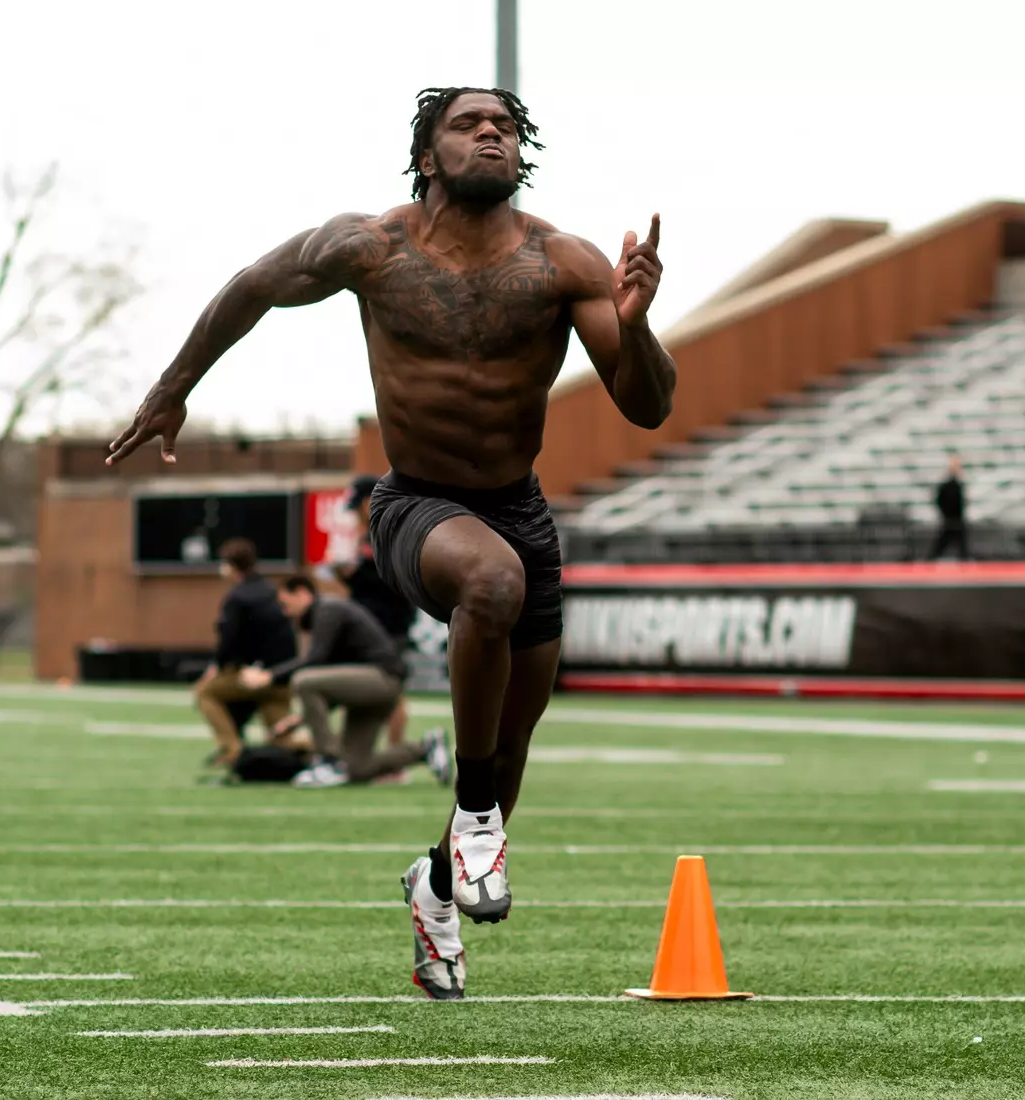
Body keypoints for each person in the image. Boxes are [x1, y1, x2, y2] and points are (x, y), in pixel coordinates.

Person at [107, 87, 675, 1000]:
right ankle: (477, 811)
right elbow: (251, 288)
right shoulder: (368, 247)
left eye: (507, 127)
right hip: (415, 504)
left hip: (520, 510)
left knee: (512, 742)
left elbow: (648, 404)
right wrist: (174, 389)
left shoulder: (563, 262)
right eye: (469, 124)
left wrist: (638, 324)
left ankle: (438, 882)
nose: (492, 133)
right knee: (490, 587)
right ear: (426, 155)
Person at [238, 574, 449, 789]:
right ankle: (424, 749)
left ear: (302, 592)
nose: (285, 611)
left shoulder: (328, 609)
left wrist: (269, 675)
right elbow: (333, 687)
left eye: (285, 603)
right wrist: (299, 720)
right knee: (357, 769)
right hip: (371, 689)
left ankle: (328, 761)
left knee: (304, 681)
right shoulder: (325, 615)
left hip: (382, 679)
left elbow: (315, 661)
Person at [191, 537, 298, 771]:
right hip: (283, 678)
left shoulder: (237, 597)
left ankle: (232, 750)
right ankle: (314, 752)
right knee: (284, 740)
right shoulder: (272, 591)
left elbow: (229, 642)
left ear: (230, 565)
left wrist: (217, 667)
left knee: (205, 693)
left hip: (253, 676)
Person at [335, 473, 419, 764]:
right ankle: (368, 753)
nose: (357, 512)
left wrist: (354, 575)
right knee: (368, 689)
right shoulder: (372, 532)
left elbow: (393, 583)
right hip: (372, 625)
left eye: (359, 504)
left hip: (388, 625)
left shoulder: (390, 531)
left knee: (391, 692)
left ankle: (397, 756)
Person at [928, 453, 970, 561]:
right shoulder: (947, 485)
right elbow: (940, 500)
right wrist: (945, 514)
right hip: (950, 519)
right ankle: (930, 561)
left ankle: (964, 560)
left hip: (956, 520)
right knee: (944, 543)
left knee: (960, 545)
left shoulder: (958, 484)